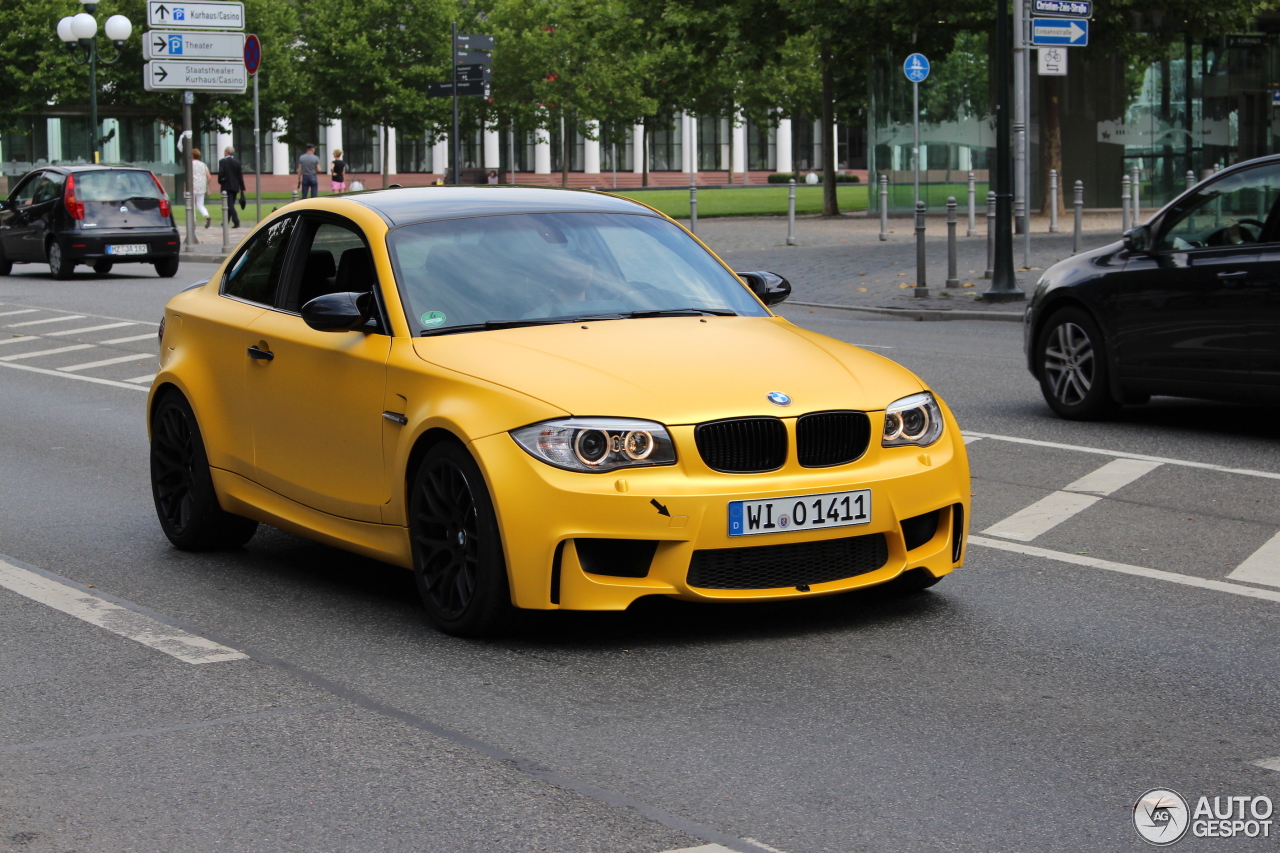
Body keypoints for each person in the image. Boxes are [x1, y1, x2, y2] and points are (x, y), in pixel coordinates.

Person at [217, 146, 246, 228]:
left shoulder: (222, 161)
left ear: (226, 152)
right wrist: (242, 188)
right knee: (231, 204)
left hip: (226, 186)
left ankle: (236, 221)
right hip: (235, 186)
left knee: (229, 205)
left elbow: (221, 173)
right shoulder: (237, 162)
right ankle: (226, 221)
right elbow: (240, 176)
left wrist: (220, 181)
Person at [190, 149, 211, 229]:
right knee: (200, 204)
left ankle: (193, 222)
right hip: (201, 187)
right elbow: (209, 177)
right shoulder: (203, 164)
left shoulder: (190, 164)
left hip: (192, 186)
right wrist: (206, 185)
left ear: (192, 155)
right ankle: (207, 216)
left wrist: (185, 189)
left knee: (191, 205)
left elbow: (187, 177)